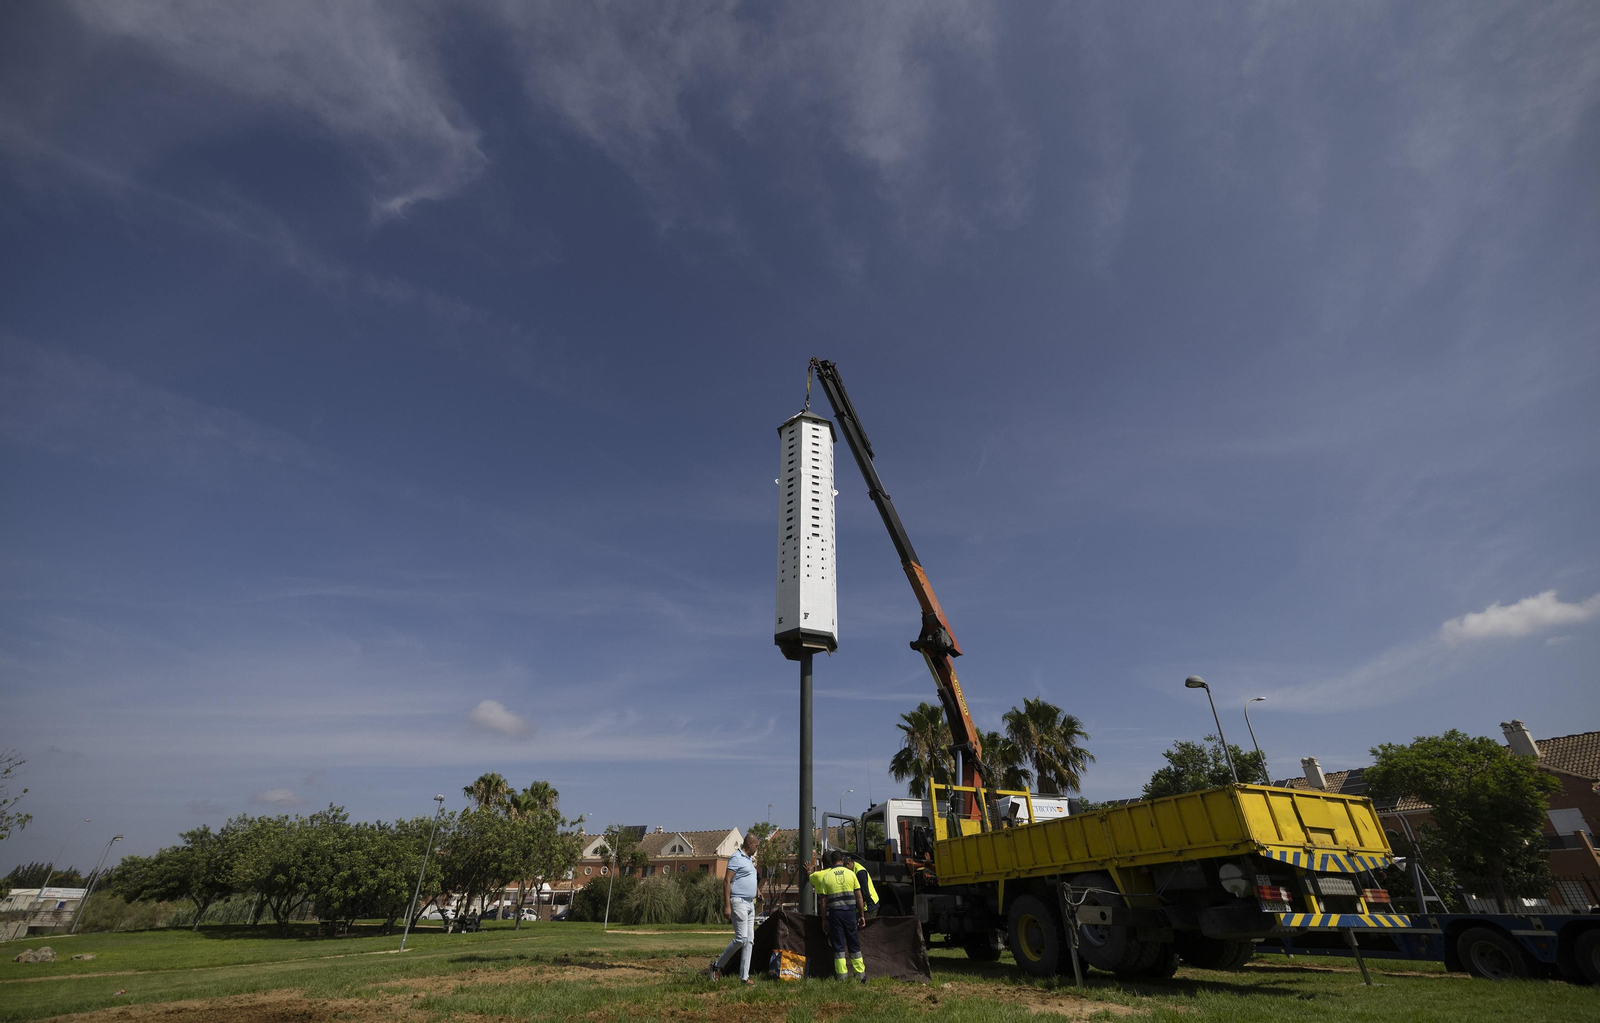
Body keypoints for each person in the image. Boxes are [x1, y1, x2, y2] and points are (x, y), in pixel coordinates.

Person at [710, 831, 760, 984]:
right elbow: (727, 881)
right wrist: (727, 906)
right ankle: (717, 966)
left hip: (750, 903)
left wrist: (756, 890)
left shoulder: (749, 860)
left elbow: (747, 878)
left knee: (749, 941)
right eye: (756, 845)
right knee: (741, 939)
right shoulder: (736, 858)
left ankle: (744, 977)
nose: (757, 848)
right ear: (749, 844)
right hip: (738, 902)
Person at [809, 850, 866, 983]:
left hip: (835, 915)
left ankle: (842, 977)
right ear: (842, 860)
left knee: (839, 946)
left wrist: (824, 919)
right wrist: (861, 915)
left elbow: (823, 901)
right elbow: (859, 896)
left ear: (831, 861)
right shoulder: (851, 874)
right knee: (854, 943)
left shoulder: (827, 877)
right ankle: (860, 975)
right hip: (850, 914)